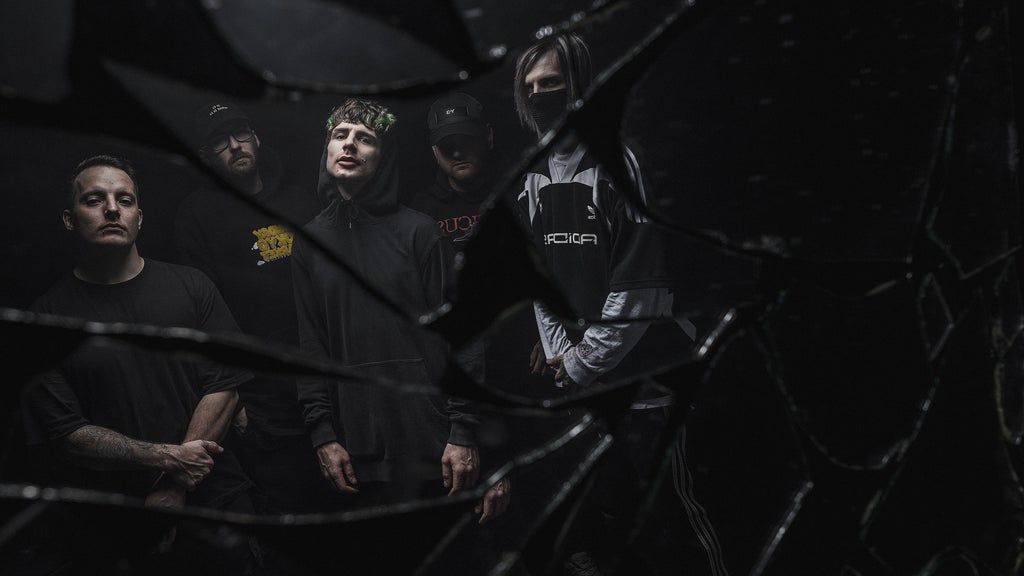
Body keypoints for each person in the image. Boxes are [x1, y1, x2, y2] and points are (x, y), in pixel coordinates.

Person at [513, 32, 716, 575]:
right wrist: (561, 355)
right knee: (607, 522)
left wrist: (582, 362)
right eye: (529, 86)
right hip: (585, 388)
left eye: (551, 83)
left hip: (646, 383)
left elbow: (642, 285)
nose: (538, 95)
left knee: (675, 520)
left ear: (580, 85)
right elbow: (539, 282)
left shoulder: (618, 161)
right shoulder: (533, 177)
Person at [21, 155, 257, 572]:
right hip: (114, 524)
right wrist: (168, 460)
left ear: (140, 218)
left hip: (217, 505)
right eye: (94, 199)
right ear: (69, 219)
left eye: (124, 200)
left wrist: (171, 490)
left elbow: (224, 387)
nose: (112, 209)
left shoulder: (192, 286)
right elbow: (65, 433)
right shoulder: (46, 320)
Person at [292, 98, 507, 522]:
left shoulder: (419, 231)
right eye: (340, 135)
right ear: (327, 150)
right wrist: (323, 436)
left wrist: (464, 430)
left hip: (437, 449)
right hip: (358, 454)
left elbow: (463, 336)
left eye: (365, 138)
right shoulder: (309, 243)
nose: (349, 144)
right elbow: (311, 346)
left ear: (383, 157)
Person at [175, 103, 324, 513]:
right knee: (285, 503)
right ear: (207, 156)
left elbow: (331, 289)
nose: (234, 146)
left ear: (256, 139)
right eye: (220, 142)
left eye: (240, 134)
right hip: (258, 394)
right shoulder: (196, 215)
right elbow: (199, 312)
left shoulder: (299, 202)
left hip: (321, 377)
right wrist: (234, 393)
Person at [410, 92, 497, 244]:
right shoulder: (421, 210)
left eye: (466, 140)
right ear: (435, 151)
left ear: (488, 136)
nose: (457, 153)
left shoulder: (518, 193)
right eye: (446, 145)